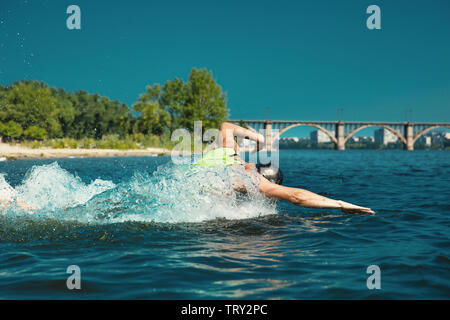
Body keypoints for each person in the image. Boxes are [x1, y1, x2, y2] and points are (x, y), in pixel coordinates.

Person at [194, 122, 375, 215]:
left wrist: (259, 138)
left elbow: (226, 126)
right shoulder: (252, 180)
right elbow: (295, 196)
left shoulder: (229, 153)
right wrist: (340, 203)